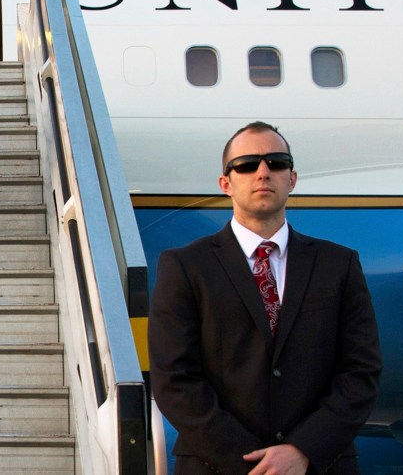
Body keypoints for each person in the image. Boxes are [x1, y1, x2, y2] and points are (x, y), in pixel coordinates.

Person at [148, 122, 382, 474]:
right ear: (225, 183)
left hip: (319, 465)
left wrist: (302, 450)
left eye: (276, 162)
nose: (262, 172)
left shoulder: (340, 265)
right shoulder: (184, 266)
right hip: (217, 465)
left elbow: (361, 372)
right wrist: (255, 464)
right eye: (246, 164)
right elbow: (174, 379)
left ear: (292, 178)